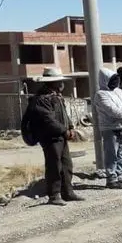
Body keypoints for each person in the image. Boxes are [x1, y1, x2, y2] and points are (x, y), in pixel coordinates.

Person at [21, 68, 84, 205]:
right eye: (59, 81)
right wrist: (64, 131)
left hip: (61, 136)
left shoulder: (56, 96)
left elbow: (64, 116)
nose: (62, 84)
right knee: (54, 166)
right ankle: (54, 195)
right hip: (50, 138)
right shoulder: (41, 99)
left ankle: (67, 192)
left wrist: (71, 127)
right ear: (52, 82)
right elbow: (48, 120)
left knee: (66, 164)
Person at [92, 68, 122, 189]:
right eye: (112, 80)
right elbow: (112, 110)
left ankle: (120, 176)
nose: (115, 82)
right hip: (110, 128)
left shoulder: (119, 91)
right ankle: (111, 179)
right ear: (105, 80)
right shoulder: (101, 94)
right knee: (111, 154)